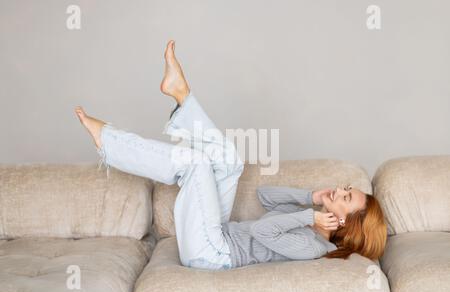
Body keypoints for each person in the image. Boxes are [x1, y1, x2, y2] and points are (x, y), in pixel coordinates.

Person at [75, 40, 387, 270]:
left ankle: (110, 143)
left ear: (345, 223)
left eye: (346, 198)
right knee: (229, 162)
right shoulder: (312, 215)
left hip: (211, 254)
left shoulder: (311, 246)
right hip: (218, 233)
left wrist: (309, 216)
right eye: (347, 189)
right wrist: (311, 196)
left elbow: (263, 230)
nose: (341, 190)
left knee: (196, 164)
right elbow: (266, 196)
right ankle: (181, 93)